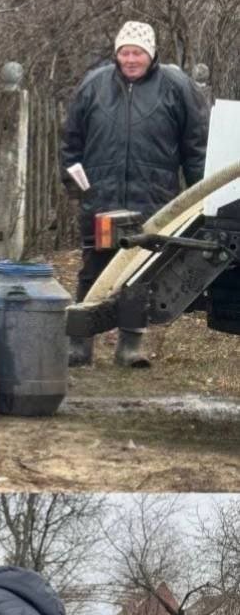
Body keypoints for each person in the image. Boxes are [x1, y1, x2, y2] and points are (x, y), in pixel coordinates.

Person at [61, 19, 209, 368]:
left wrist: (201, 193)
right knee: (93, 269)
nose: (131, 59)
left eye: (138, 53)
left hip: (153, 198)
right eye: (125, 52)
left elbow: (195, 145)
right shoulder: (94, 85)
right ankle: (80, 344)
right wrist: (76, 184)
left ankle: (131, 346)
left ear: (151, 54)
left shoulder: (176, 86)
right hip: (101, 198)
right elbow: (71, 141)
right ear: (117, 54)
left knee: (140, 272)